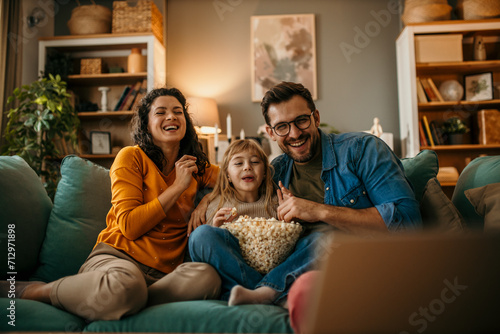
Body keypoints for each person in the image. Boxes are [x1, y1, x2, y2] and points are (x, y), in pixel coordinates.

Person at [19, 87, 221, 321]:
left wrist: (206, 200)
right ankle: (36, 290)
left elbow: (239, 180)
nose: (171, 117)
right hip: (117, 261)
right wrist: (177, 187)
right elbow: (129, 226)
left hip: (164, 276)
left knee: (208, 277)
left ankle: (132, 301)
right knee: (126, 286)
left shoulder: (195, 166)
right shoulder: (131, 157)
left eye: (178, 112)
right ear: (146, 124)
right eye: (161, 112)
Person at [260, 81, 422, 332]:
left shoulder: (362, 149)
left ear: (316, 117)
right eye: (282, 126)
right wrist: (207, 197)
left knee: (327, 240)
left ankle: (265, 291)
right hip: (301, 273)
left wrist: (319, 211)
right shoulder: (276, 172)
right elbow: (229, 190)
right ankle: (269, 292)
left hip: (361, 268)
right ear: (271, 133)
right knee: (207, 238)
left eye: (301, 120)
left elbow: (408, 222)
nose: (294, 133)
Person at [189, 139, 311, 306]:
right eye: (238, 163)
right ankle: (268, 292)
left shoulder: (277, 202)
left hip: (274, 269)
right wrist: (217, 228)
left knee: (319, 239)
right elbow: (210, 250)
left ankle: (263, 291)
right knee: (201, 235)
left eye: (254, 162)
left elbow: (292, 244)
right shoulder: (216, 205)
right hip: (236, 271)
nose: (247, 167)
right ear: (227, 175)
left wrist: (292, 220)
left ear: (266, 173)